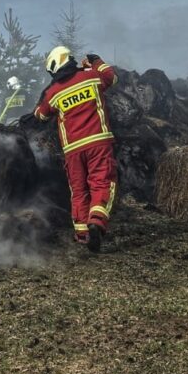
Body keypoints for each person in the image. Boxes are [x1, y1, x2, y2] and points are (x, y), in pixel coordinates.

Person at [33, 46, 118, 252]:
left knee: (78, 191)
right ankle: (96, 222)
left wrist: (36, 109)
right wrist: (95, 60)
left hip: (72, 149)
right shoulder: (92, 76)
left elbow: (41, 115)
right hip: (98, 141)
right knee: (101, 182)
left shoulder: (53, 92)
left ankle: (83, 235)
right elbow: (111, 77)